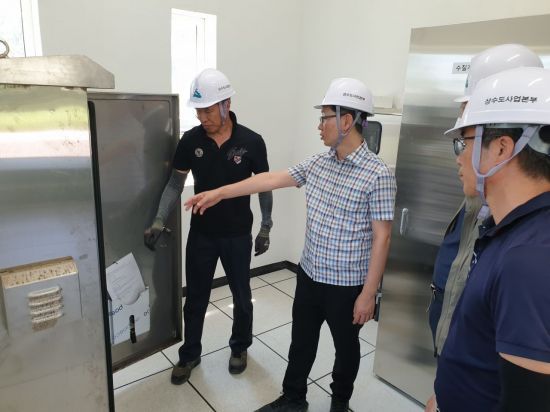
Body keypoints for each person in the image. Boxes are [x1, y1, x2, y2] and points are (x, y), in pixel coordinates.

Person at [185, 77, 396, 412]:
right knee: (301, 342)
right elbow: (269, 179)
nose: (319, 126)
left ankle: (339, 402)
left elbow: (383, 236)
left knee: (346, 348)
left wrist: (369, 294)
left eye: (324, 118)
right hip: (309, 275)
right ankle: (294, 398)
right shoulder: (319, 163)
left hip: (346, 285)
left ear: (346, 121)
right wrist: (219, 193)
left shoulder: (377, 174)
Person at [430, 66, 550, 412]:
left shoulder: (529, 257)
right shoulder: (511, 228)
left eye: (463, 142)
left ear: (501, 148)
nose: (458, 156)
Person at [144, 68, 274, 384]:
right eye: (198, 111)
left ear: (226, 104)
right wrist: (159, 218)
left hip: (238, 234)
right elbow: (175, 184)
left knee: (242, 297)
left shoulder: (252, 142)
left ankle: (240, 347)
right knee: (196, 298)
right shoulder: (191, 140)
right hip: (202, 234)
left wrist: (266, 226)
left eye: (207, 110)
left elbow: (265, 186)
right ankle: (190, 353)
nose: (202, 117)